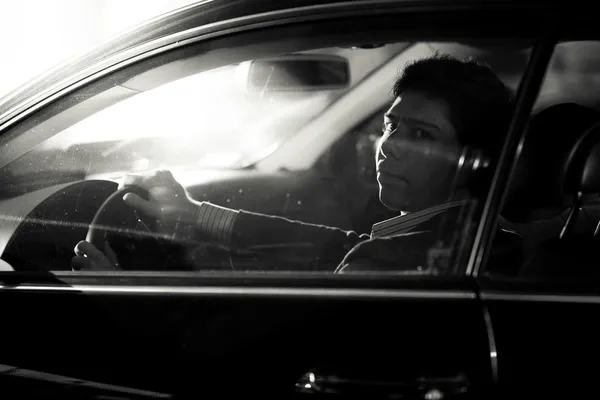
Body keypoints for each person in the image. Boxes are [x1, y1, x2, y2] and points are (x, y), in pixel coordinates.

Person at [72, 54, 515, 273]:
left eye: (421, 134)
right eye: (391, 125)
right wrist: (195, 214)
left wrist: (117, 293)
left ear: (473, 159)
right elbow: (341, 246)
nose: (390, 145)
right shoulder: (488, 241)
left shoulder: (393, 260)